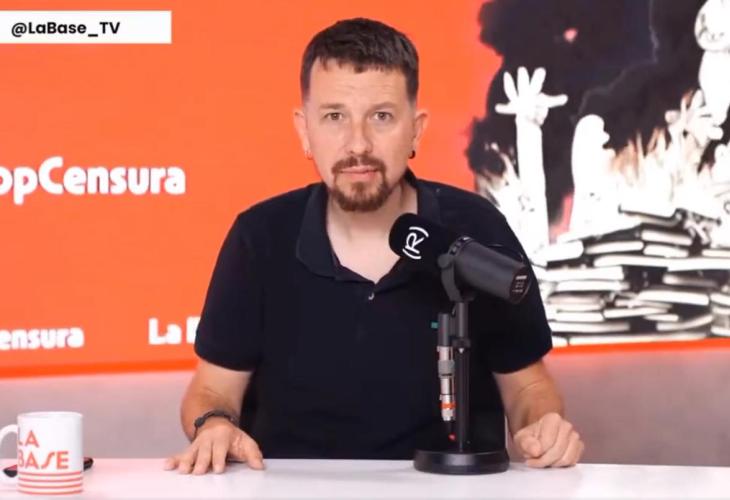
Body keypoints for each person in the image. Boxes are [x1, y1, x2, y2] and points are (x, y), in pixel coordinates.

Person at [164, 17, 583, 475]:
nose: (358, 144)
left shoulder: (478, 229)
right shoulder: (259, 236)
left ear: (416, 130)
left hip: (449, 488)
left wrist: (543, 427)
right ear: (304, 130)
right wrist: (214, 425)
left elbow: (527, 387)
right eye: (334, 117)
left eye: (381, 116)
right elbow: (212, 390)